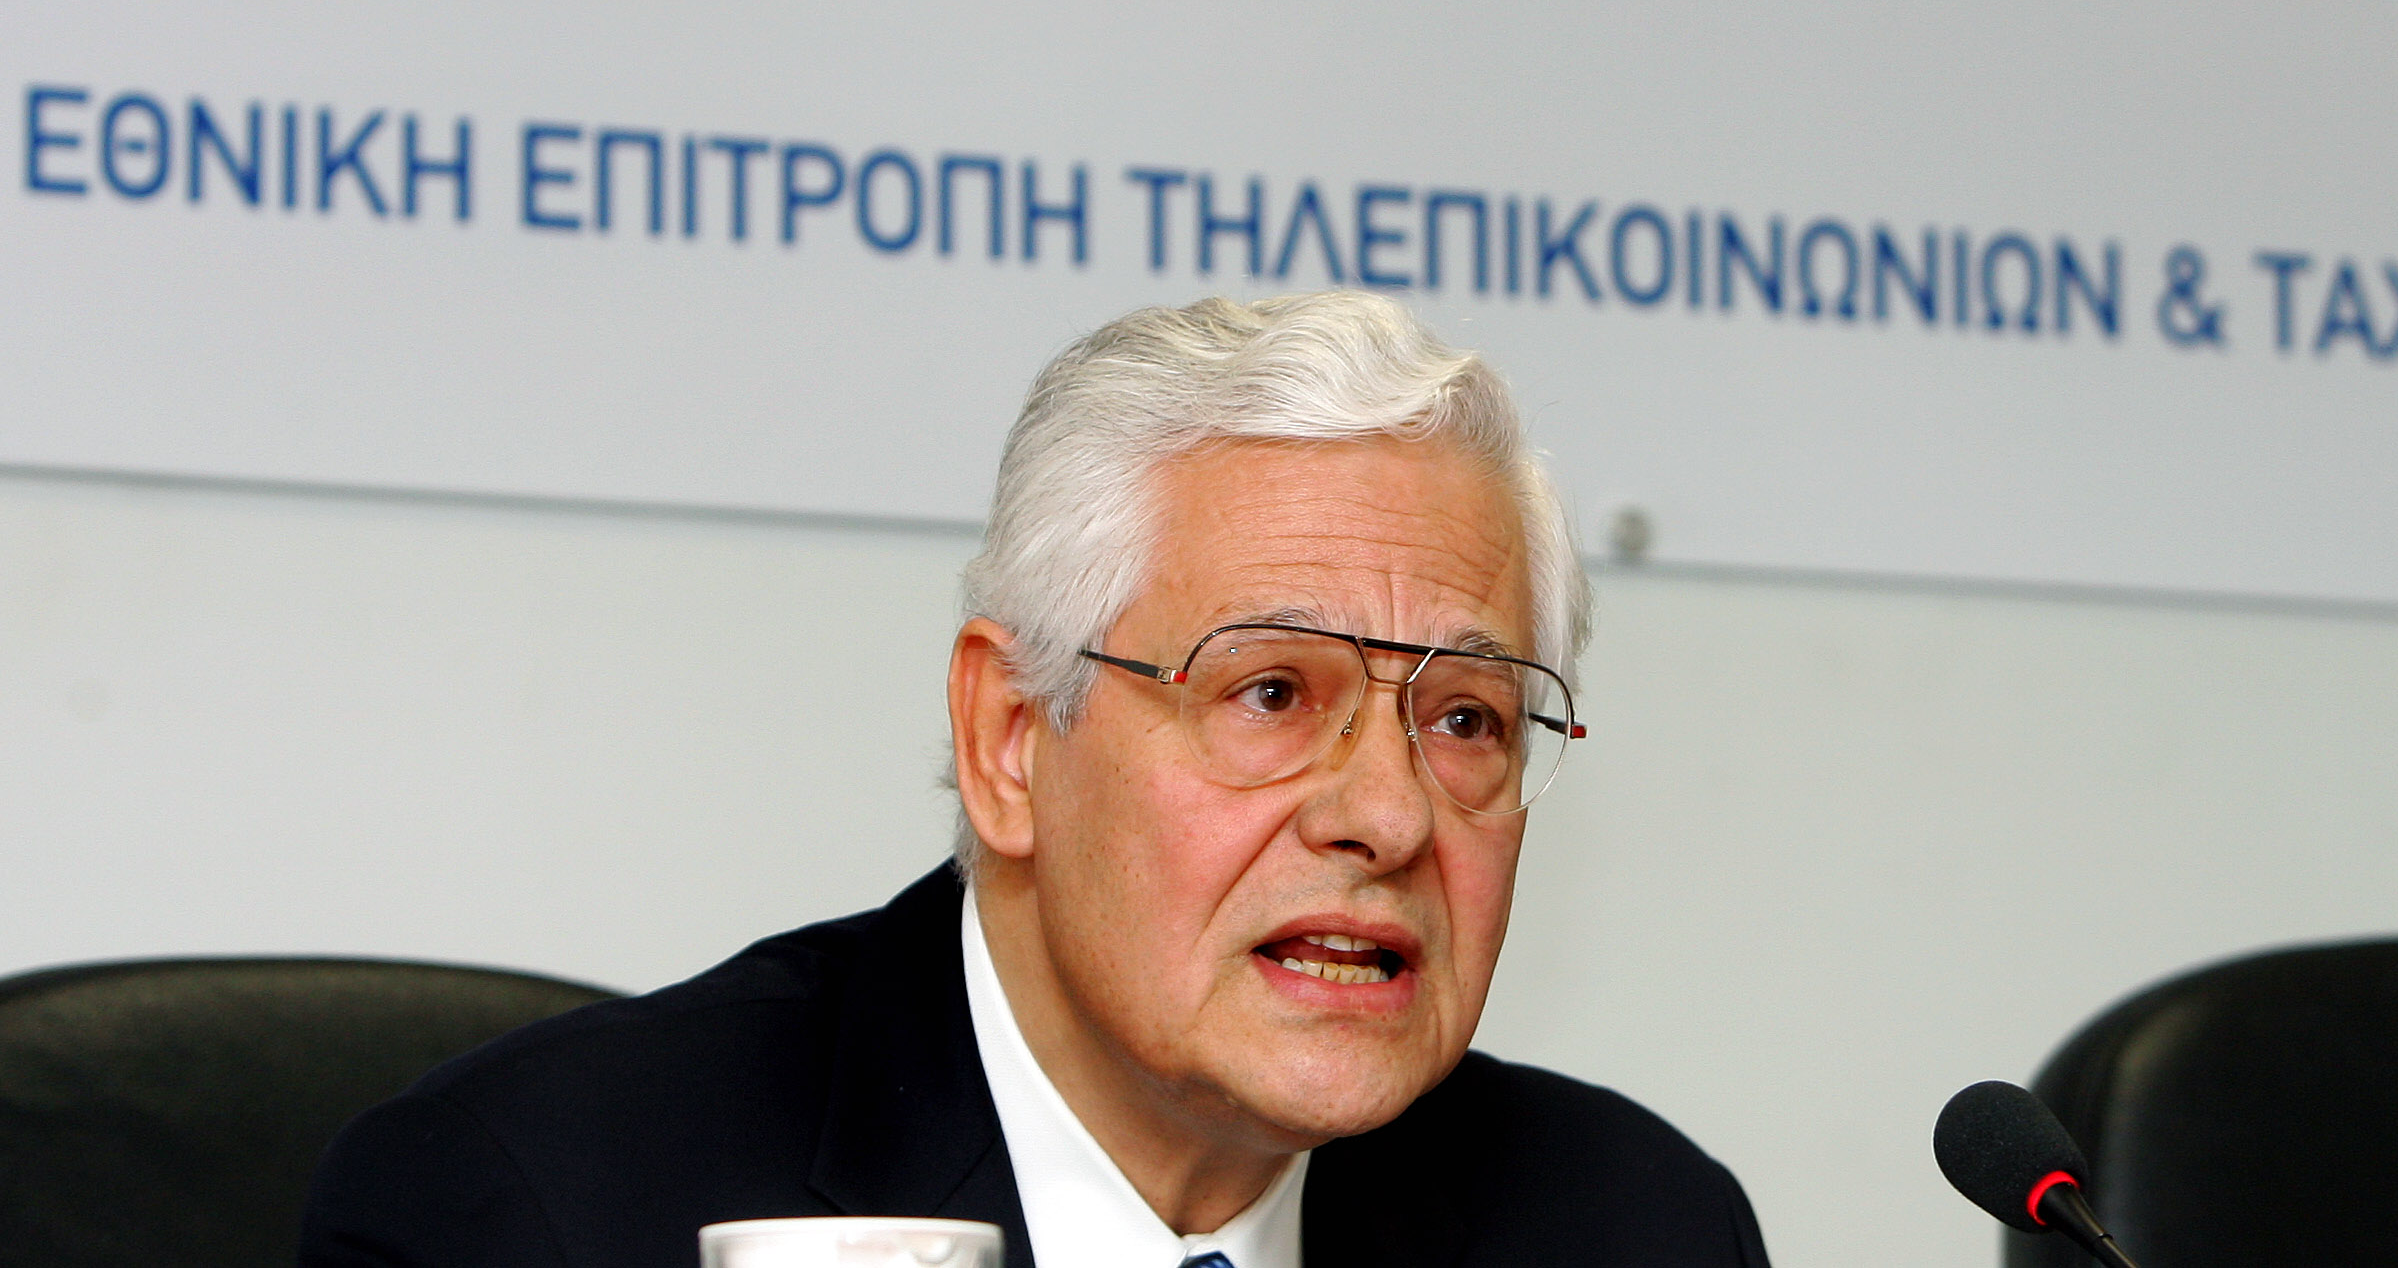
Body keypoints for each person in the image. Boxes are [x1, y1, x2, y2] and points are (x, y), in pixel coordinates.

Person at [302, 293, 1766, 1268]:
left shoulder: (1628, 1229)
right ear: (1010, 737)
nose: (1387, 814)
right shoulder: (536, 1213)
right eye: (1271, 691)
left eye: (1464, 720)